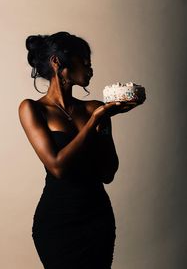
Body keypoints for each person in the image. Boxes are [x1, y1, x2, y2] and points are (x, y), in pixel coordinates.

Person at [18, 31, 145, 269]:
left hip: (98, 218)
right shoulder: (32, 109)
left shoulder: (95, 108)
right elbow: (57, 167)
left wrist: (102, 124)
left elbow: (108, 173)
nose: (90, 67)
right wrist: (94, 121)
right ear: (57, 62)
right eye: (83, 59)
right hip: (58, 222)